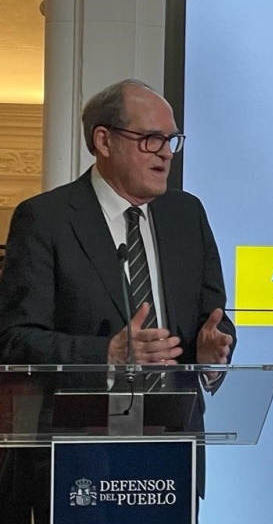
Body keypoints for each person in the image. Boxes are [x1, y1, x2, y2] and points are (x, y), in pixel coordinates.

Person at [0, 79, 236, 523]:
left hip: (170, 452)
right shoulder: (45, 219)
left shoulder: (188, 215)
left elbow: (215, 319)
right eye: (151, 139)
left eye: (171, 140)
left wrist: (213, 350)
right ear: (103, 140)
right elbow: (14, 339)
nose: (165, 152)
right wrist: (106, 353)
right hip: (77, 457)